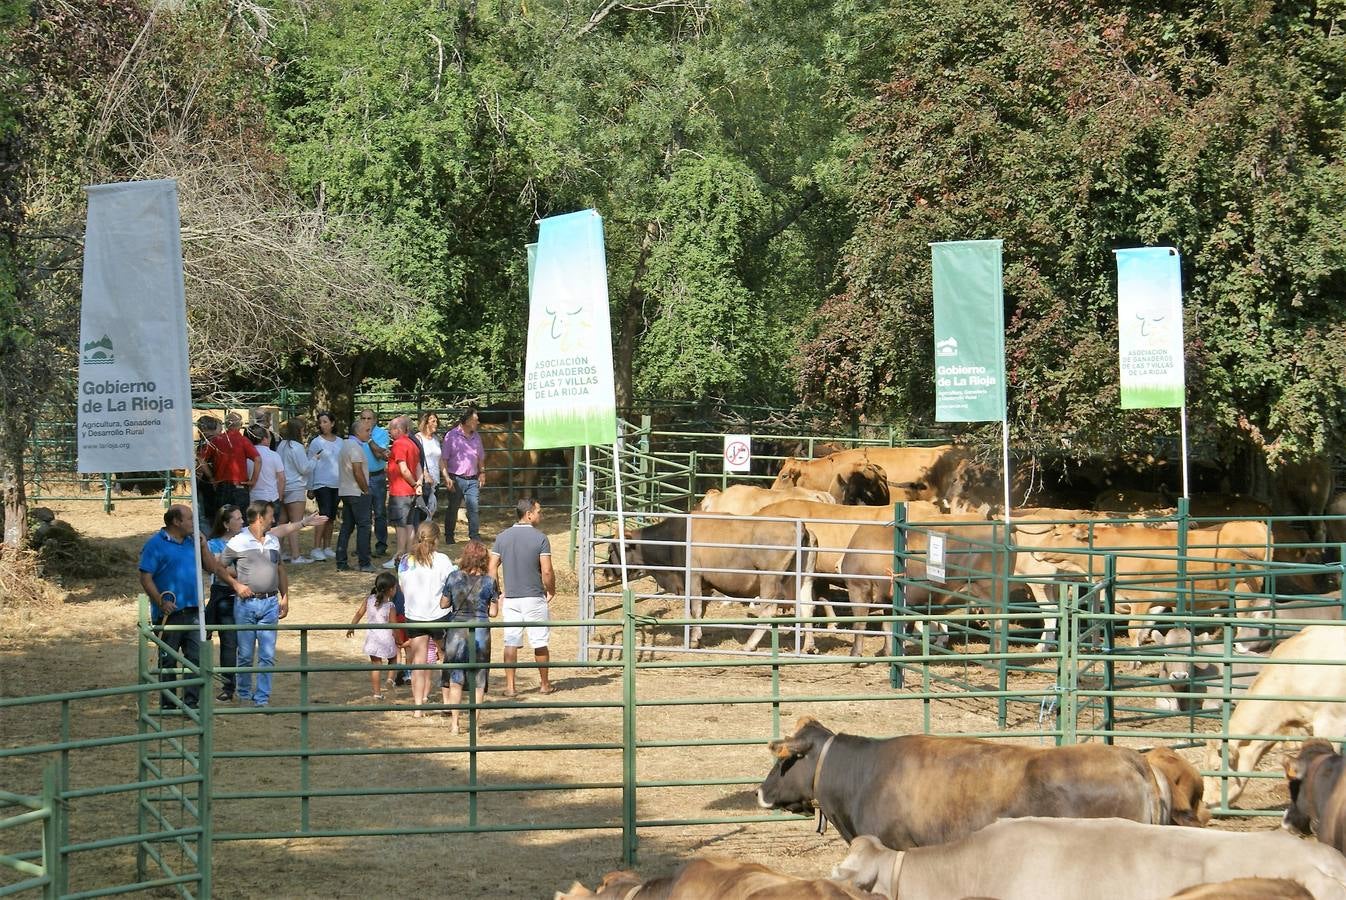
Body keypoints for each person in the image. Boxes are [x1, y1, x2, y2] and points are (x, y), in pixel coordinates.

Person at [138, 504, 248, 710]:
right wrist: (160, 600)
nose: (193, 523)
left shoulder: (193, 541)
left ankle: (191, 703)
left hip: (194, 610)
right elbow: (146, 577)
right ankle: (168, 705)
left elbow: (211, 568)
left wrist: (204, 546)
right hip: (168, 614)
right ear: (176, 522)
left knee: (195, 659)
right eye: (189, 519)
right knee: (168, 661)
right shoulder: (155, 544)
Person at [219, 500, 316, 707]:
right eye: (271, 515)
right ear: (260, 518)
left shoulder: (272, 540)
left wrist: (285, 596)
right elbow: (219, 567)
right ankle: (244, 694)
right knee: (245, 654)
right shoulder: (238, 542)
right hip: (246, 603)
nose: (274, 519)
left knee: (267, 654)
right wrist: (236, 585)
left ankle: (261, 697)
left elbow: (280, 568)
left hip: (270, 602)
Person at [489, 497, 555, 696]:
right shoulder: (541, 538)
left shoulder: (502, 537)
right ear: (528, 515)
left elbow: (492, 567)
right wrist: (551, 589)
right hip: (534, 597)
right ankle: (544, 684)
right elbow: (547, 571)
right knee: (540, 641)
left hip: (511, 599)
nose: (540, 515)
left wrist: (497, 593)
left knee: (510, 641)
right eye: (538, 512)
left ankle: (510, 687)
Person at [397, 521, 457, 718]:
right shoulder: (442, 560)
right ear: (436, 539)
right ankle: (447, 702)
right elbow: (452, 585)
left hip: (414, 616)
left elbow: (402, 586)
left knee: (418, 662)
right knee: (445, 658)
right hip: (439, 615)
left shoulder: (406, 560)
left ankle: (417, 708)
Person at [438, 539, 498, 733]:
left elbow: (443, 604)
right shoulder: (489, 581)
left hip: (456, 631)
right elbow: (494, 612)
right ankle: (474, 724)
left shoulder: (454, 577)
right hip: (480, 630)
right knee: (479, 680)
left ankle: (455, 723)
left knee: (456, 677)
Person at [205, 504, 245, 701]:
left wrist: (303, 522)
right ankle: (200, 679)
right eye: (237, 519)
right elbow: (216, 568)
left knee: (230, 642)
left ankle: (229, 687)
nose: (242, 521)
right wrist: (246, 571)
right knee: (203, 636)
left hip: (239, 594)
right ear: (226, 524)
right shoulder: (213, 544)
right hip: (221, 594)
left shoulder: (247, 538)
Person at [346, 571, 401, 700]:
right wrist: (399, 639)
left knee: (376, 666)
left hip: (372, 639)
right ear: (391, 589)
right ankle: (390, 679)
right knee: (393, 659)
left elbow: (359, 614)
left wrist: (351, 627)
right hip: (386, 639)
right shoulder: (390, 606)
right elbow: (394, 625)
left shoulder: (369, 600)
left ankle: (377, 693)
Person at [441, 407, 485, 543]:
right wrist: (447, 477)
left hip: (472, 477)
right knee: (453, 507)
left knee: (473, 508)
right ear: (467, 421)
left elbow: (480, 456)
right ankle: (449, 536)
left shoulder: (476, 436)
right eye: (475, 420)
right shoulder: (451, 436)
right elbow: (444, 459)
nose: (477, 423)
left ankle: (474, 536)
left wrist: (482, 472)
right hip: (456, 477)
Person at [335, 417, 373, 573]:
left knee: (347, 526)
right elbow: (357, 470)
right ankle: (364, 562)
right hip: (357, 492)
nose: (369, 433)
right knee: (364, 526)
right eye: (366, 430)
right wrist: (365, 489)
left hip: (346, 491)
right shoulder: (356, 448)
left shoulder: (345, 445)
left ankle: (341, 560)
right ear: (357, 432)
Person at [384, 415, 421, 568]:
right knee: (410, 524)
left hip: (400, 491)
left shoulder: (398, 444)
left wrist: (413, 483)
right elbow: (418, 466)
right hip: (410, 492)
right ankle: (410, 555)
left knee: (400, 525)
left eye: (391, 429)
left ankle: (399, 556)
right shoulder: (412, 443)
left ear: (398, 429)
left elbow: (404, 469)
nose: (390, 433)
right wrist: (418, 483)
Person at [277, 419, 315, 564]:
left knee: (282, 521)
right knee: (296, 522)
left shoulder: (281, 445)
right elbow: (304, 469)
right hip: (296, 486)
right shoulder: (297, 447)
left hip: (283, 486)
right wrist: (314, 459)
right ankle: (296, 556)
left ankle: (279, 553)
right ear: (299, 431)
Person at [205, 412, 259, 512]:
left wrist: (211, 477)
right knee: (240, 520)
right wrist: (253, 480)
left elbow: (201, 459)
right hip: (240, 486)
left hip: (221, 485)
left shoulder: (217, 440)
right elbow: (258, 459)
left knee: (222, 518)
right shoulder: (243, 441)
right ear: (240, 425)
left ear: (225, 425)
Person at [306, 411, 342, 560]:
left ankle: (327, 546)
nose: (322, 425)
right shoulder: (316, 442)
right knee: (324, 514)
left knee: (331, 516)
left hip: (337, 483)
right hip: (321, 483)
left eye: (325, 421)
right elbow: (310, 465)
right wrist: (310, 487)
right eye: (321, 422)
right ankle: (316, 547)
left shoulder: (341, 442)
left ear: (332, 423)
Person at [358, 409, 391, 558]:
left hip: (376, 477)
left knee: (379, 513)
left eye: (369, 418)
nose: (366, 421)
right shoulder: (356, 432)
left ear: (375, 420)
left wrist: (369, 438)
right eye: (363, 418)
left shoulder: (381, 433)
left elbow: (381, 455)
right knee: (362, 514)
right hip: (360, 476)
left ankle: (381, 545)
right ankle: (363, 547)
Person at [246, 424, 285, 525]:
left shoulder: (246, 456)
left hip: (253, 497)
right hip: (271, 496)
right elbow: (281, 478)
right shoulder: (274, 455)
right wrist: (280, 496)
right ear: (264, 439)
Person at [412, 412, 442, 529]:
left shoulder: (435, 439)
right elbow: (417, 459)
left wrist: (445, 475)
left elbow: (440, 460)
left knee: (431, 510)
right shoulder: (418, 438)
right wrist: (425, 474)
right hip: (424, 480)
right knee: (422, 510)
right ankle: (418, 537)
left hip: (435, 479)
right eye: (433, 421)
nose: (436, 423)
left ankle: (425, 537)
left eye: (436, 421)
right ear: (425, 423)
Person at [194, 415, 221, 532]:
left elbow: (201, 462)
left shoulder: (204, 443)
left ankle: (208, 539)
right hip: (218, 480)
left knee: (205, 514)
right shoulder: (219, 441)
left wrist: (210, 478)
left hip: (208, 481)